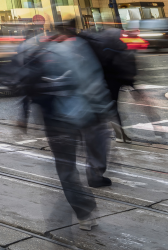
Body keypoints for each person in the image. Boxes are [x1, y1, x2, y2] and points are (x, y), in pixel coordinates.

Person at [19, 21, 113, 230]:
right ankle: (87, 201)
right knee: (79, 160)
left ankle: (85, 213)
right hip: (83, 114)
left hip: (55, 120)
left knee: (66, 168)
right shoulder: (78, 48)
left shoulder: (34, 49)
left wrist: (23, 114)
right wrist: (102, 110)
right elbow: (92, 82)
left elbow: (25, 82)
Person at [79, 24, 136, 144]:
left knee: (103, 107)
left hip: (103, 80)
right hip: (113, 80)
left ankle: (117, 133)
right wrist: (130, 81)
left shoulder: (93, 45)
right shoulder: (112, 44)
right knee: (111, 108)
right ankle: (119, 134)